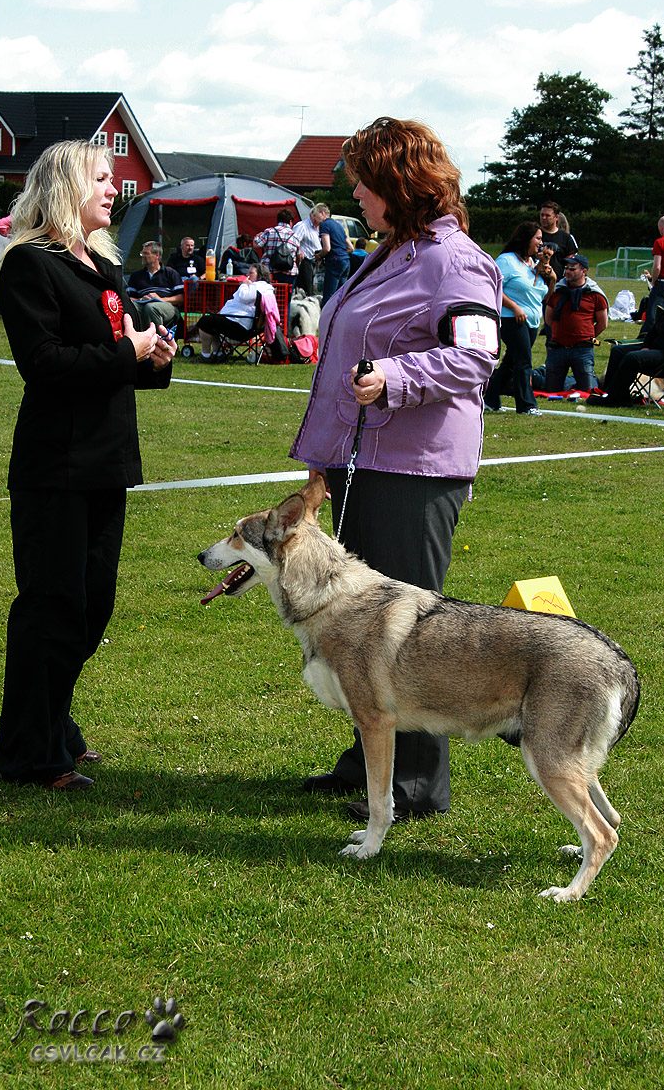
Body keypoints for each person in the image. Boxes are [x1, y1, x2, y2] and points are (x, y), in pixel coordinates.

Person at [290, 116, 502, 822]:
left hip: (414, 471)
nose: (353, 189)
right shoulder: (390, 252)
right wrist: (324, 462)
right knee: (357, 629)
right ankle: (368, 764)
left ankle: (416, 786)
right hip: (364, 462)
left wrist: (398, 374)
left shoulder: (456, 260)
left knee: (408, 635)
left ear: (397, 182)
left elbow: (475, 357)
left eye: (362, 179)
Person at [0, 140, 177, 791]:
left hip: (105, 464)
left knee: (91, 606)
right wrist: (127, 352)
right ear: (66, 187)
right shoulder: (30, 266)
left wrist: (151, 359)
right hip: (56, 467)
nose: (112, 187)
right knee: (53, 607)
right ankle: (31, 752)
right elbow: (43, 366)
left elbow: (114, 362)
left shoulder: (99, 265)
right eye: (101, 177)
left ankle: (52, 726)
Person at [588, 274, 664, 407]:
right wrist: (646, 345)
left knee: (633, 358)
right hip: (654, 349)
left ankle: (615, 398)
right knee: (617, 350)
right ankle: (609, 393)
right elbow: (654, 331)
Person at [483, 221, 556, 415]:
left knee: (512, 361)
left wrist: (552, 276)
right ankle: (527, 405)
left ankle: (489, 398)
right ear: (526, 239)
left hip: (532, 320)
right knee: (524, 360)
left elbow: (545, 296)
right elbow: (493, 288)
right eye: (538, 238)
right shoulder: (507, 261)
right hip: (511, 318)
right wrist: (514, 307)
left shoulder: (534, 264)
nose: (541, 243)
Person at [544, 255, 608, 392]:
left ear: (584, 271)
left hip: (583, 350)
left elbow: (603, 323)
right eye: (566, 268)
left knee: (588, 391)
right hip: (557, 349)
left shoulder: (595, 294)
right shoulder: (558, 291)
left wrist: (585, 335)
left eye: (572, 269)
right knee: (551, 391)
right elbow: (548, 318)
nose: (567, 271)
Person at [195, 262, 277, 363]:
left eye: (251, 273)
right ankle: (218, 354)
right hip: (242, 323)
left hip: (240, 326)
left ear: (260, 275)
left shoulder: (258, 286)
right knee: (213, 320)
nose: (248, 276)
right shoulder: (264, 287)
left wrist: (244, 284)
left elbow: (244, 296)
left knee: (205, 321)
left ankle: (205, 355)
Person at [127, 241, 184, 330]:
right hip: (143, 304)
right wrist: (141, 299)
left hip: (167, 306)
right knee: (133, 307)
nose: (143, 256)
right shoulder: (136, 276)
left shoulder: (171, 273)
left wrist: (160, 299)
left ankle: (157, 341)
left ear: (157, 255)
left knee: (151, 307)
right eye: (142, 253)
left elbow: (180, 298)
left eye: (146, 253)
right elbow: (129, 298)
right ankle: (140, 339)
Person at [254, 209, 300, 288]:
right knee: (285, 297)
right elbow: (298, 255)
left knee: (267, 294)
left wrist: (256, 237)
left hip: (269, 270)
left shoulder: (269, 231)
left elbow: (256, 245)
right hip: (289, 271)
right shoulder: (295, 236)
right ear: (290, 221)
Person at [291, 204, 330, 295]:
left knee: (315, 291)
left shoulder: (320, 228)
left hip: (318, 265)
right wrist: (299, 251)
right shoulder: (302, 226)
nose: (324, 221)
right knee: (307, 291)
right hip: (306, 263)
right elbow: (293, 242)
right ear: (318, 214)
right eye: (323, 218)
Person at [318, 213, 354, 306]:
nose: (314, 219)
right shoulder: (339, 225)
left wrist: (319, 255)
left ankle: (325, 319)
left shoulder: (324, 224)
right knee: (341, 295)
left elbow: (327, 248)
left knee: (329, 296)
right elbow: (351, 248)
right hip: (346, 260)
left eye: (314, 215)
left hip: (335, 261)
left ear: (322, 213)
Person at [539, 200, 578, 280]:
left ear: (556, 217)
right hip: (535, 281)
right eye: (542, 215)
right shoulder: (534, 234)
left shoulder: (566, 238)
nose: (543, 218)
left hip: (558, 283)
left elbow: (572, 263)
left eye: (547, 215)